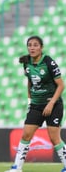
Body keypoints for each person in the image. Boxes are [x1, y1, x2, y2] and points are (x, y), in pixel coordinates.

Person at [5, 36, 66, 172]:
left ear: (41, 47)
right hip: (36, 105)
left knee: (54, 137)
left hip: (53, 105)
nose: (32, 47)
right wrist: (29, 99)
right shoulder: (27, 63)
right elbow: (30, 81)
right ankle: (17, 168)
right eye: (30, 45)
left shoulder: (48, 62)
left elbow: (61, 85)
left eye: (35, 45)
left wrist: (51, 104)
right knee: (26, 134)